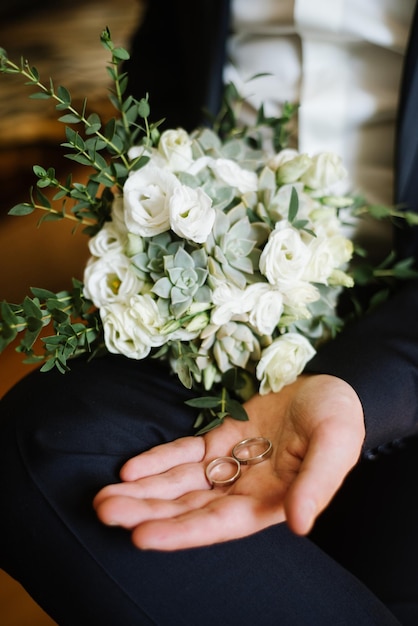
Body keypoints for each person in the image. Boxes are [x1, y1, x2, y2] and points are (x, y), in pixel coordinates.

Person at [1, 1, 418, 624]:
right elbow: (168, 64)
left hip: (405, 330)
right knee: (37, 445)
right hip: (214, 311)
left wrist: (362, 387)